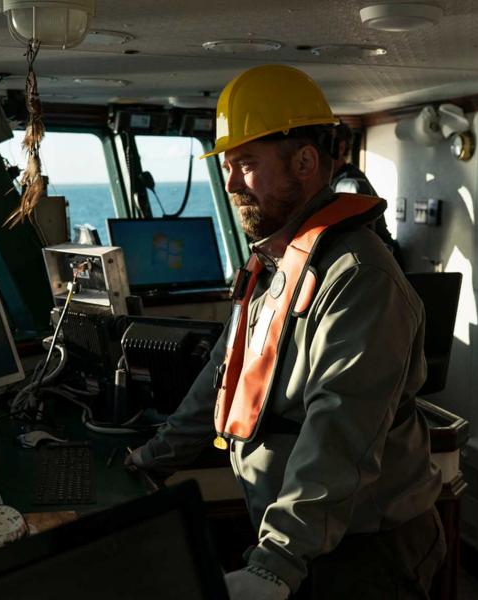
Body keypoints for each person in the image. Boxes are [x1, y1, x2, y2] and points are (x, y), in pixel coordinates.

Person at [125, 65, 444, 599]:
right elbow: (224, 375)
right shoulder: (276, 262)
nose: (229, 184)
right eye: (227, 167)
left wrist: (277, 563)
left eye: (245, 164)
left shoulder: (359, 277)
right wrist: (152, 456)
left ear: (304, 161)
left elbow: (340, 429)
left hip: (363, 551)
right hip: (303, 534)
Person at [331, 122, 404, 268]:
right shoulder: (334, 180)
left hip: (381, 264)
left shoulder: (350, 184)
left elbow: (360, 243)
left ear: (340, 147)